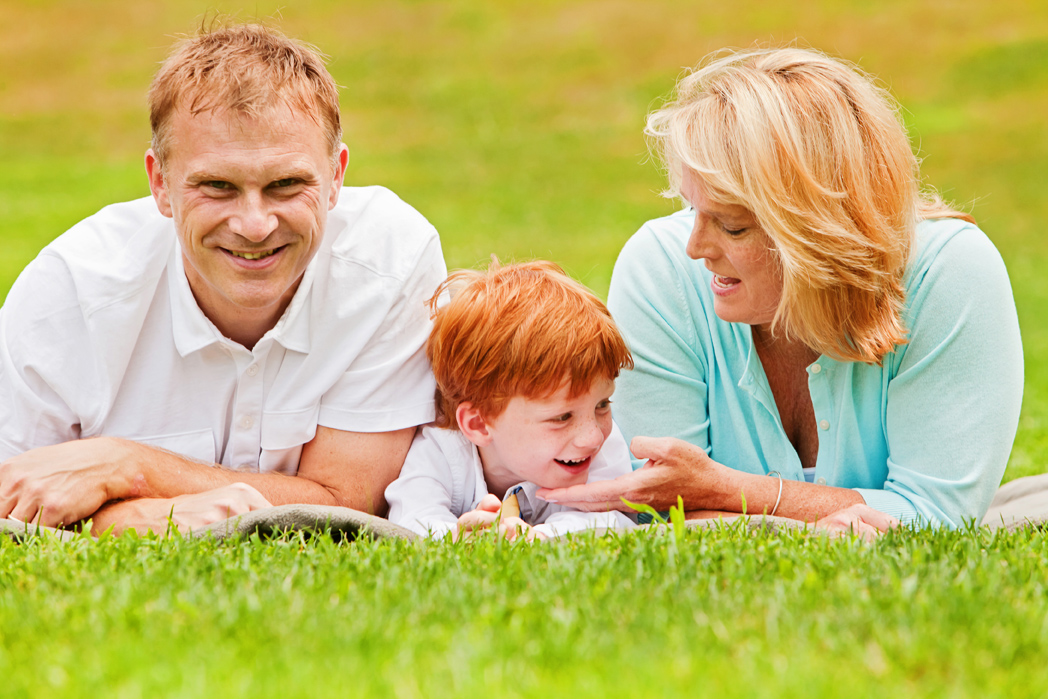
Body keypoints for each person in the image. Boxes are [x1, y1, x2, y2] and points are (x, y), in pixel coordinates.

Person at [537, 47, 1024, 535]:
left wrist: (726, 492)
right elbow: (661, 506)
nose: (695, 247)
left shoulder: (949, 271)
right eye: (692, 210)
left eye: (731, 227)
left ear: (818, 236)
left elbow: (938, 519)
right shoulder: (660, 270)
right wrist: (830, 522)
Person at [0, 24, 446, 534]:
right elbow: (14, 497)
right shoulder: (69, 293)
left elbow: (346, 500)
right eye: (217, 186)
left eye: (285, 185)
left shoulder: (391, 261)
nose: (254, 225)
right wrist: (141, 516)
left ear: (336, 177)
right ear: (159, 183)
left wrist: (126, 468)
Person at [385, 260, 636, 540]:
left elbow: (614, 518)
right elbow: (410, 519)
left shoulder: (600, 449)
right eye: (562, 417)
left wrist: (538, 538)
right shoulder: (442, 450)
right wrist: (459, 536)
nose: (592, 437)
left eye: (602, 405)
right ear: (479, 424)